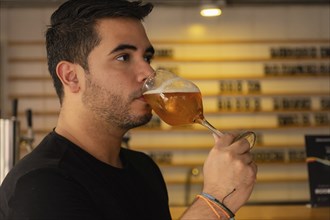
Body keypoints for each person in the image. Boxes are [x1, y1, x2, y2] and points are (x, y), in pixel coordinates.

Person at [0, 0, 257, 219]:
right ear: (71, 77)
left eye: (147, 57)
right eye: (123, 57)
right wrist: (215, 202)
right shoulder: (42, 185)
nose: (148, 72)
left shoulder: (144, 170)